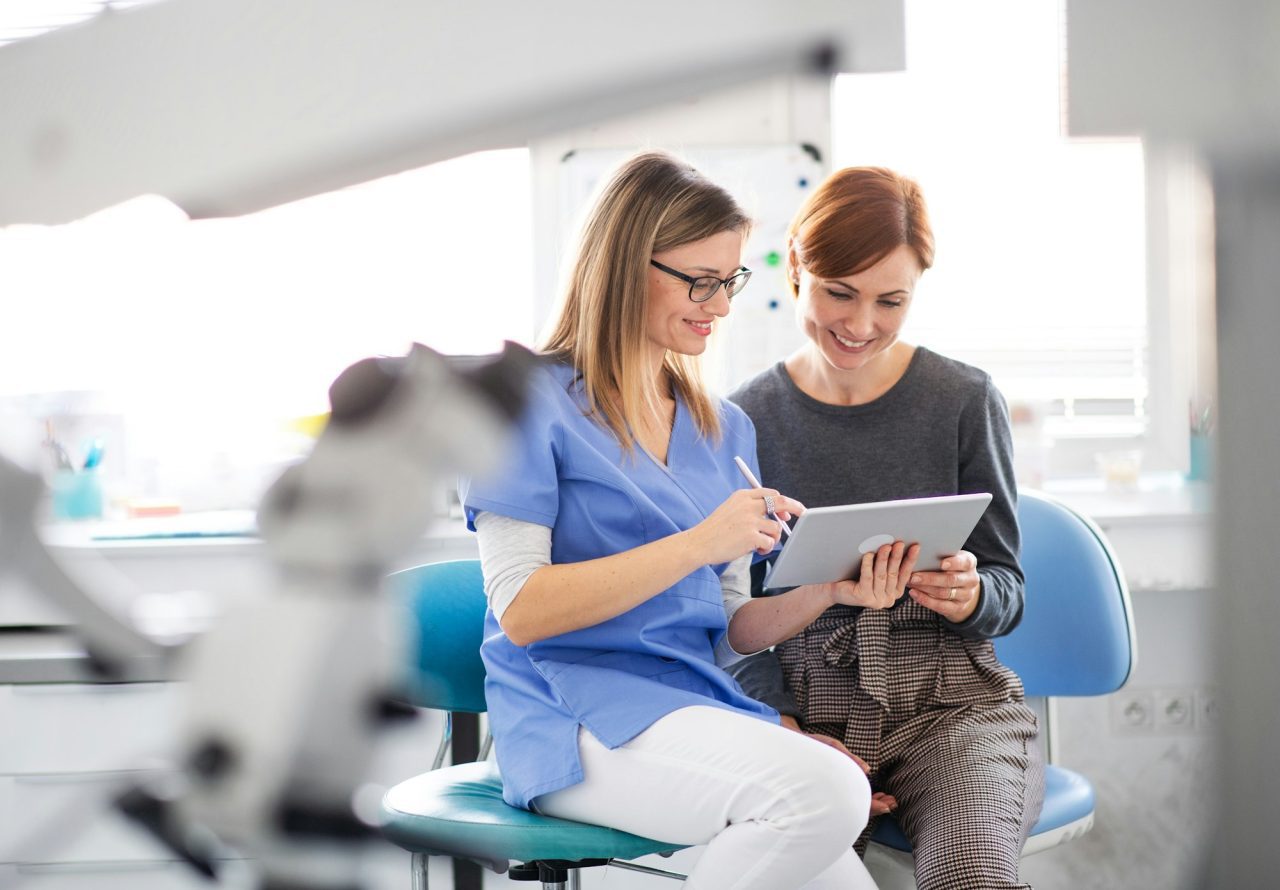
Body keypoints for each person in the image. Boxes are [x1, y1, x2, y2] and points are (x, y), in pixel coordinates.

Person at [459, 151, 890, 889]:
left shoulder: (721, 429)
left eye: (729, 282)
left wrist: (826, 593)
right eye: (700, 281)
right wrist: (701, 541)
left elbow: (728, 627)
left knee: (841, 865)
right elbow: (523, 611)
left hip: (688, 704)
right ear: (626, 266)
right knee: (824, 795)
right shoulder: (519, 404)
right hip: (569, 717)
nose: (720, 305)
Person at [727, 166, 1045, 890]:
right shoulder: (743, 421)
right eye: (839, 292)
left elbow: (1006, 588)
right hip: (807, 710)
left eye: (891, 301)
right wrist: (785, 730)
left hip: (951, 706)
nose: (860, 324)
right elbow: (730, 619)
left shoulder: (963, 399)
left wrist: (971, 597)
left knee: (971, 878)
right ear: (798, 265)